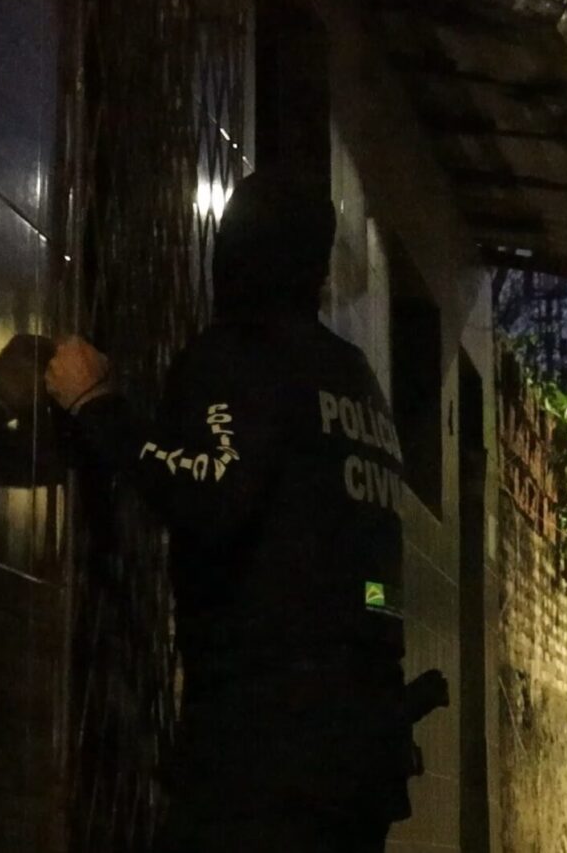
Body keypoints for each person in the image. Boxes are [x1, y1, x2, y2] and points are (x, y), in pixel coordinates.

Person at [45, 171, 447, 852]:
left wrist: (96, 408)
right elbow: (362, 572)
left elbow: (214, 490)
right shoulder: (352, 378)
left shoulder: (241, 355)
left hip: (270, 758)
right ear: (317, 269)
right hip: (360, 754)